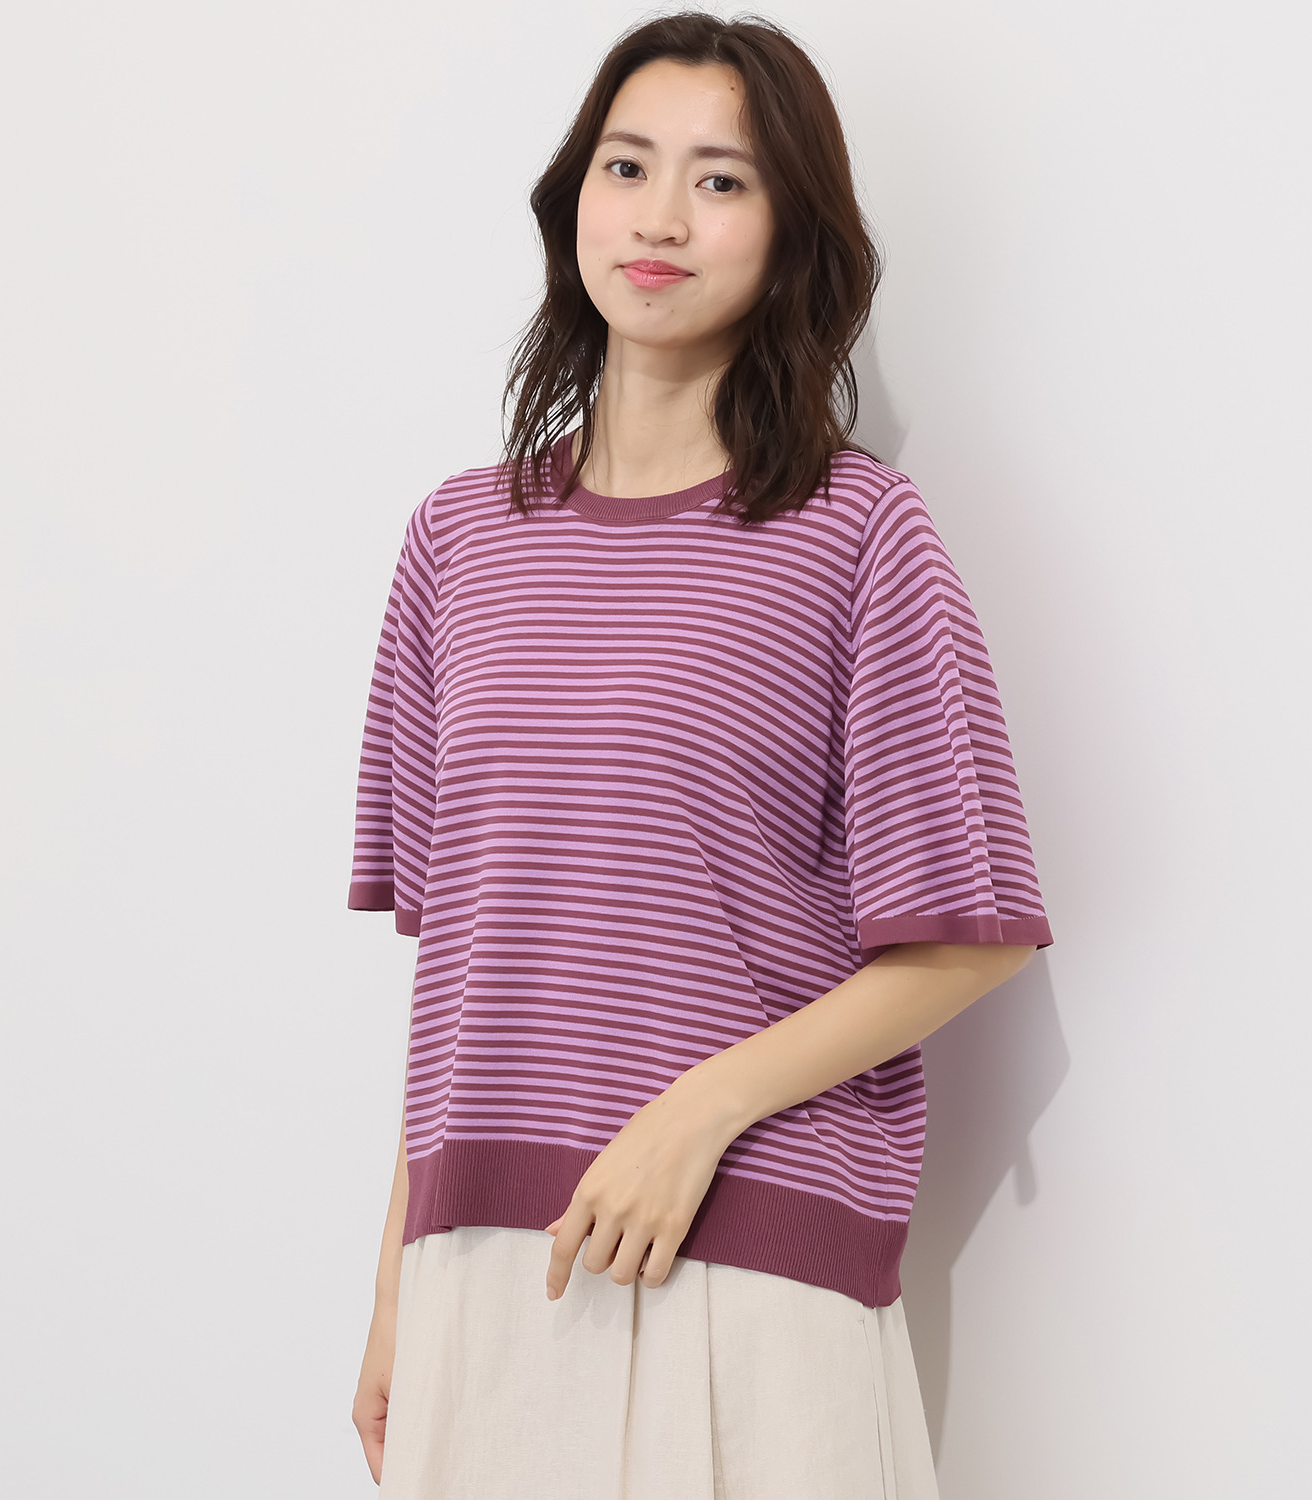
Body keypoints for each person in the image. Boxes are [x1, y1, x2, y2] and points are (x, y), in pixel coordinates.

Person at [347, 12, 1052, 1498]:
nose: (661, 217)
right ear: (574, 202)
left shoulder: (859, 536)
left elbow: (969, 936)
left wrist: (698, 1111)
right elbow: (461, 966)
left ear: (790, 236)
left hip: (745, 1256)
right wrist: (398, 1287)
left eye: (721, 181)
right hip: (492, 1268)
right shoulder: (457, 543)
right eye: (628, 167)